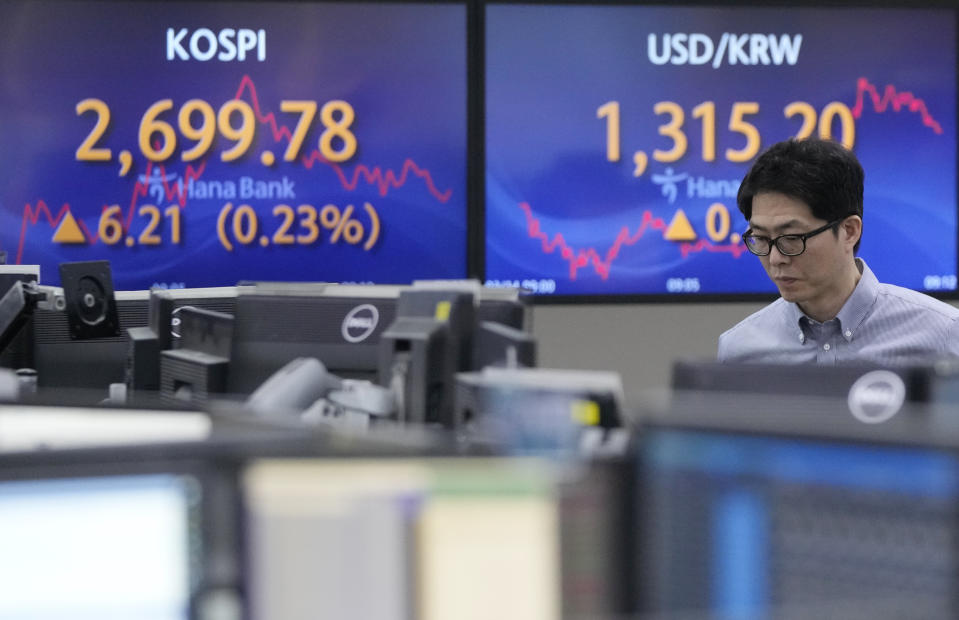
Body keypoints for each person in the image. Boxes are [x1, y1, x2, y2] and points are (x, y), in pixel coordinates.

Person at [717, 137, 959, 365]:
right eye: (760, 238)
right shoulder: (740, 350)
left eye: (791, 238)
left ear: (849, 231)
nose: (775, 259)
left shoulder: (944, 335)